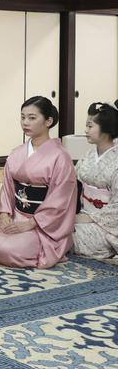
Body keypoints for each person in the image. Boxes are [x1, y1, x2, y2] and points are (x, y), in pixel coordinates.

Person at [0, 96, 77, 268]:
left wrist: (30, 224)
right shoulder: (17, 153)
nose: (25, 122)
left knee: (11, 250)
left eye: (32, 118)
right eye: (22, 117)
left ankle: (40, 246)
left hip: (42, 224)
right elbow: (7, 189)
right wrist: (5, 215)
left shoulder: (61, 157)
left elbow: (60, 200)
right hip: (16, 216)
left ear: (48, 121)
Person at [72, 101, 118, 262]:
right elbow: (73, 187)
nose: (86, 131)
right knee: (56, 227)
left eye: (90, 126)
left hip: (106, 225)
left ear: (105, 128)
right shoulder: (87, 157)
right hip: (82, 215)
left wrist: (89, 218)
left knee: (67, 235)